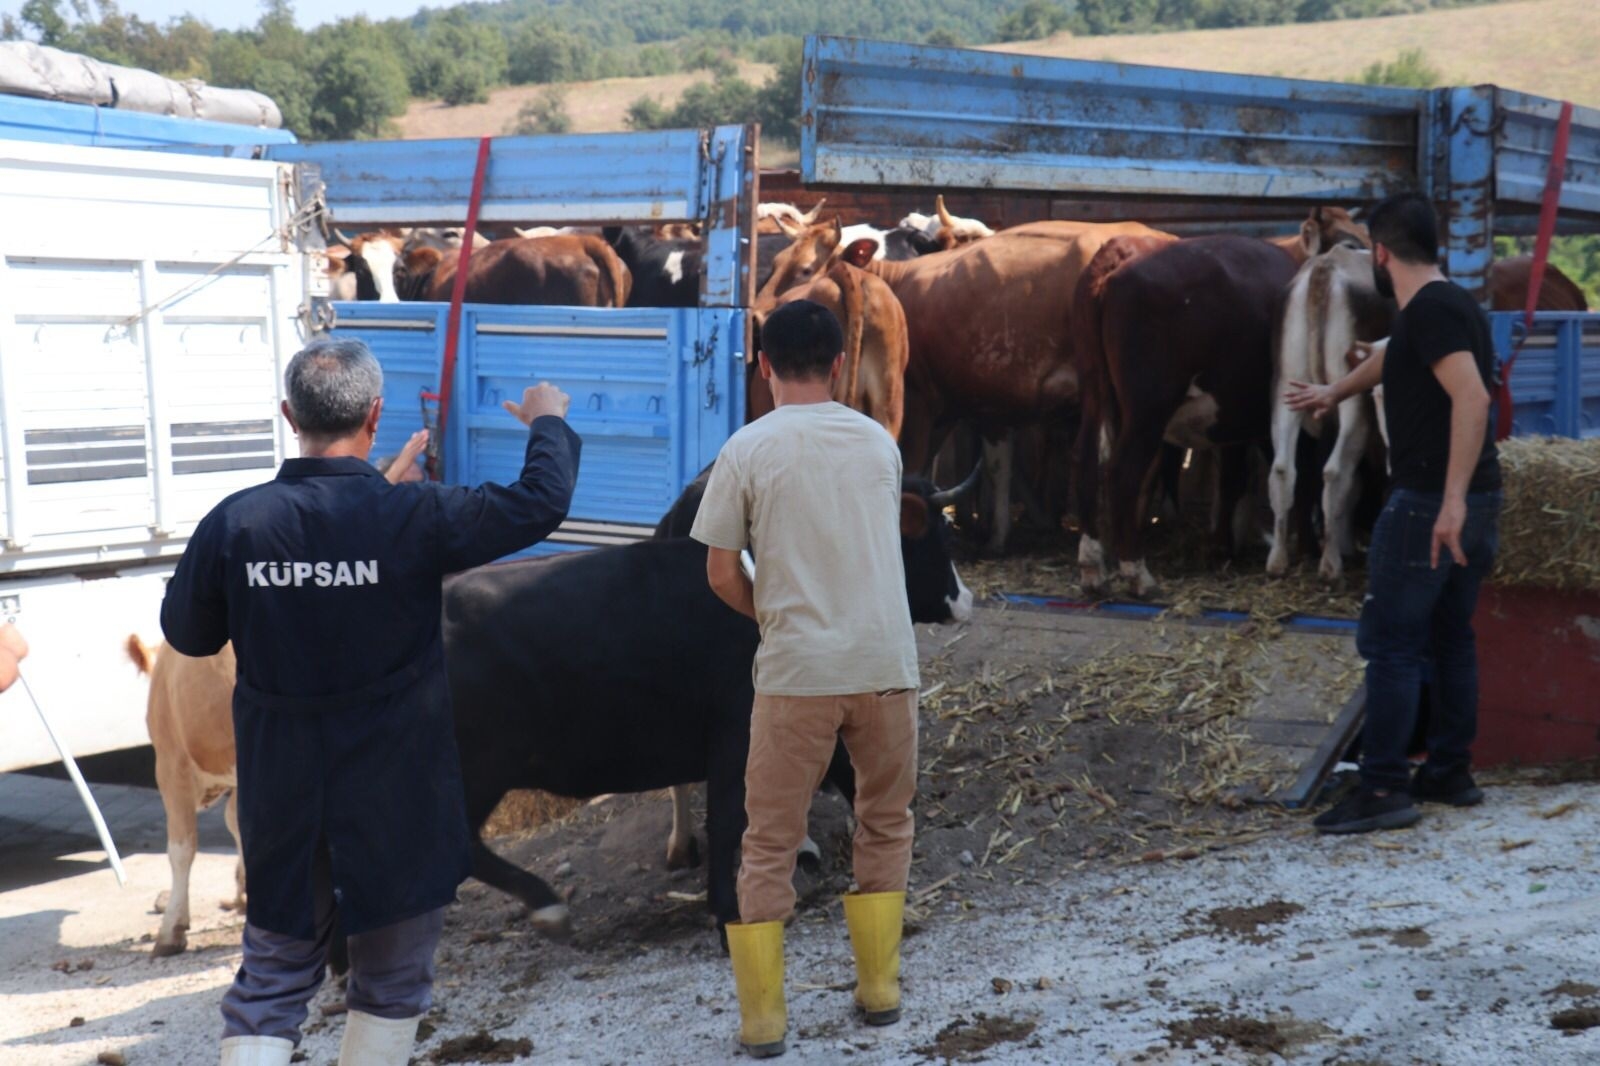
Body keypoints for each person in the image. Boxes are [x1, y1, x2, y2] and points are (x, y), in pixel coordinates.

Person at [160, 338, 580, 1066]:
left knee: (272, 978)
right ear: (376, 415)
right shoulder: (415, 517)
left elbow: (187, 634)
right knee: (390, 982)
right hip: (397, 798)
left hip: (283, 797)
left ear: (290, 415)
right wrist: (548, 422)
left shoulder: (236, 523)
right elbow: (540, 502)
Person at [691, 301, 920, 1058]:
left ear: (763, 366)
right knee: (884, 820)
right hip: (886, 665)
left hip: (796, 674)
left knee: (769, 841)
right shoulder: (879, 444)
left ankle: (763, 1023)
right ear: (839, 366)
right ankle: (879, 991)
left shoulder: (746, 449)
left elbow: (720, 573)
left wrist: (772, 615)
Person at [1286, 191, 1501, 835]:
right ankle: (1448, 771)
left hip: (1430, 502)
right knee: (1449, 636)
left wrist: (1450, 501)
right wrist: (1334, 390)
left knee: (1391, 645)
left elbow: (1472, 398)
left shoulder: (1430, 311)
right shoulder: (1447, 304)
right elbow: (1395, 355)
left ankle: (1382, 787)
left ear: (1380, 254)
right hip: (1473, 499)